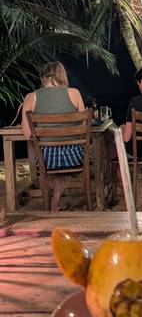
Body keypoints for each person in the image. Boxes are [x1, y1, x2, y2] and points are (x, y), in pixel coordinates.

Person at [21, 61, 85, 211]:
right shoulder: (74, 93)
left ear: (43, 77)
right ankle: (55, 202)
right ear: (62, 75)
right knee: (66, 170)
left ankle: (52, 200)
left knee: (50, 170)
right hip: (73, 156)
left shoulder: (31, 97)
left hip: (45, 158)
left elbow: (27, 134)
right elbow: (83, 128)